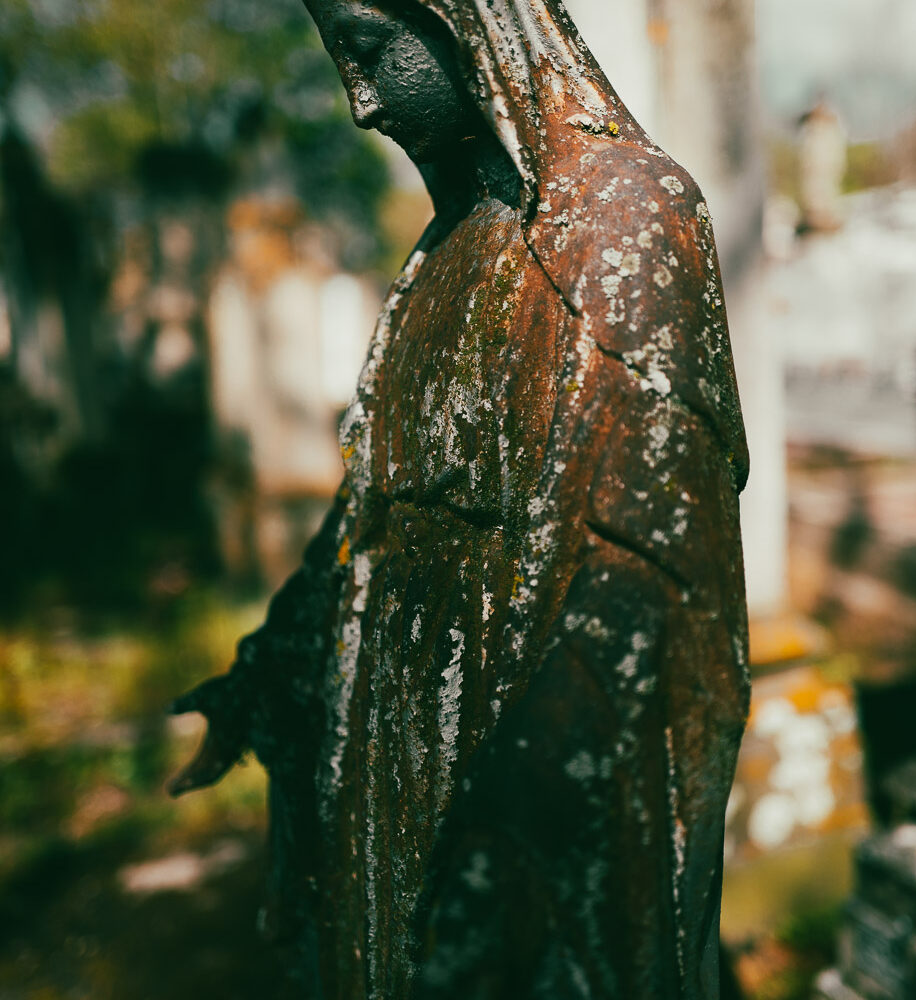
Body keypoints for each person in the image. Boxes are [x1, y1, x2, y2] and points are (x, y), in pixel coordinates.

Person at [171, 2, 751, 997]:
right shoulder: (443, 247)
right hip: (392, 744)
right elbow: (374, 509)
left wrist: (524, 821)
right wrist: (281, 655)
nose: (361, 103)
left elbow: (658, 577)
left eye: (368, 50)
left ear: (465, 20)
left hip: (511, 742)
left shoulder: (629, 216)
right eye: (338, 59)